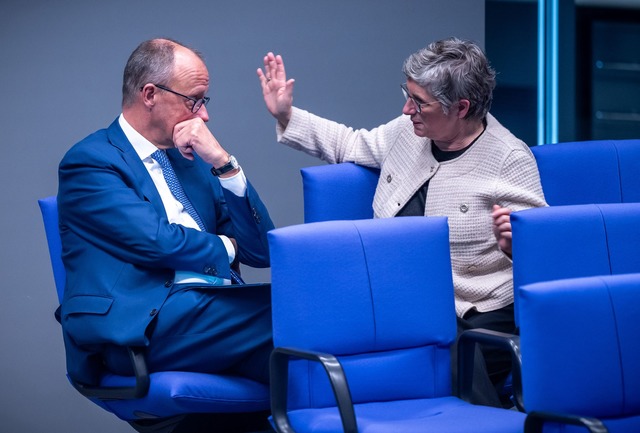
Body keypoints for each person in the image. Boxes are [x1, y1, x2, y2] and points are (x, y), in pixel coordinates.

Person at [257, 37, 547, 407]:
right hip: (398, 295)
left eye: (420, 102)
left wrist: (515, 246)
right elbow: (350, 144)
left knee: (443, 353)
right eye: (407, 94)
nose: (407, 108)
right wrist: (286, 115)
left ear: (460, 107)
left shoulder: (509, 159)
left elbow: (543, 252)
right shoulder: (408, 132)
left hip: (473, 309)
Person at [57, 38, 275, 391]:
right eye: (194, 101)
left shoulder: (192, 159)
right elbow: (156, 242)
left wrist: (225, 165)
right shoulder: (91, 162)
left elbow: (261, 251)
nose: (203, 115)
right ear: (150, 94)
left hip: (212, 313)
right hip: (145, 326)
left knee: (299, 365)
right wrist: (229, 247)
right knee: (295, 312)